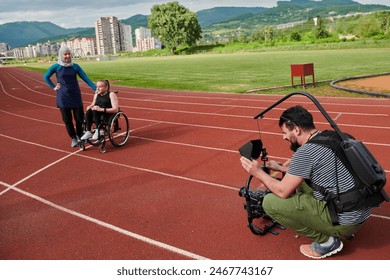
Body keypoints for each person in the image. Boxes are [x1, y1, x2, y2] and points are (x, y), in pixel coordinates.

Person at [240, 105, 370, 259]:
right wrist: (281, 168)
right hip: (359, 208)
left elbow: (282, 191)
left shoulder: (306, 152)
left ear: (296, 129)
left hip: (345, 220)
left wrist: (258, 173)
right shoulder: (335, 137)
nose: (283, 137)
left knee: (269, 202)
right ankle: (332, 225)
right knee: (299, 182)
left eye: (284, 132)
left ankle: (326, 242)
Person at [43, 45, 96, 147]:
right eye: (65, 54)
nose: (67, 56)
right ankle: (73, 138)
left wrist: (95, 88)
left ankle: (80, 135)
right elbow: (46, 76)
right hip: (63, 97)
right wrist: (53, 87)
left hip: (75, 96)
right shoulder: (56, 67)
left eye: (69, 54)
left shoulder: (75, 67)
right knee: (67, 120)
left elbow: (85, 78)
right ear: (61, 55)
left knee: (79, 119)